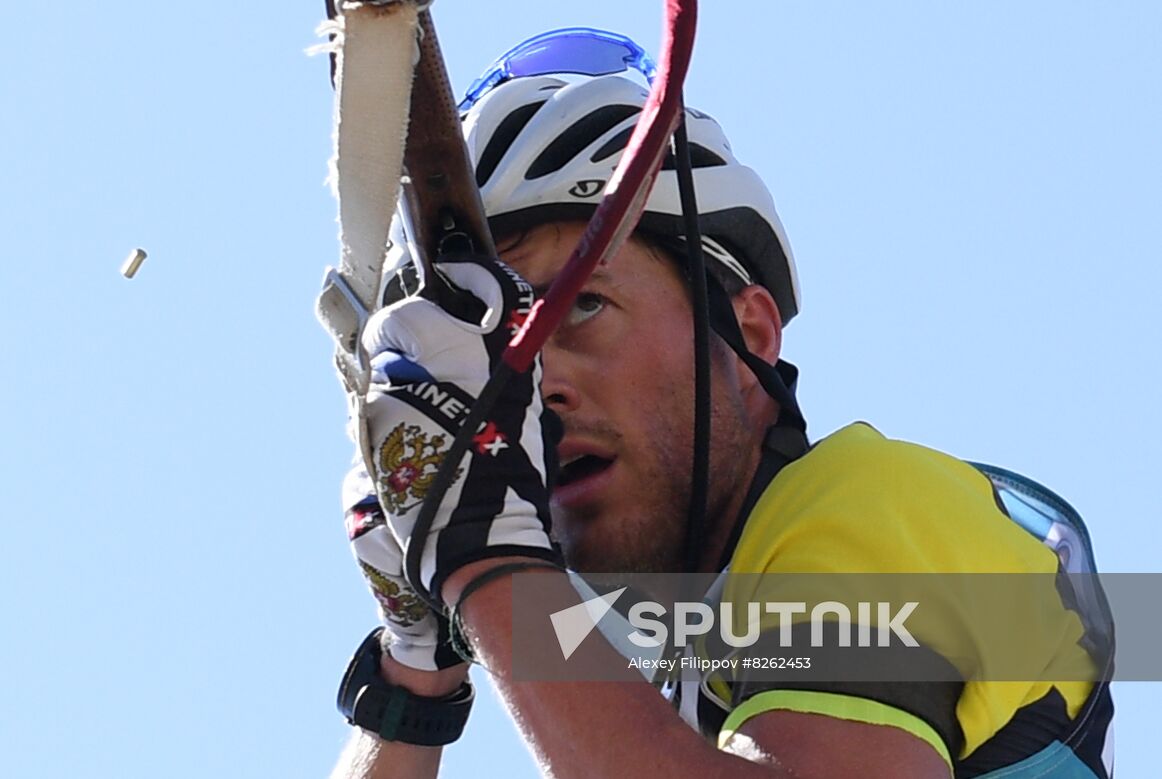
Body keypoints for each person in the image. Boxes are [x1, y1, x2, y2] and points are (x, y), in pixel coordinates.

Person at [328, 28, 1114, 779]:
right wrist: (415, 662)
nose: (540, 389)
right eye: (501, 367)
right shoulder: (696, 678)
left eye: (584, 307)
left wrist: (479, 555)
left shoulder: (866, 507)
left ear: (749, 333)